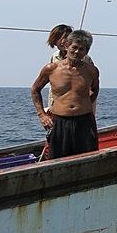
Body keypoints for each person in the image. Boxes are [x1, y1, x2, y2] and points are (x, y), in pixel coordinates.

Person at [31, 29, 100, 160]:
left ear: (86, 51)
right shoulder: (51, 69)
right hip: (60, 122)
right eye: (74, 47)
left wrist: (85, 104)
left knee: (88, 159)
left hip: (84, 122)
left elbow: (95, 89)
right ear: (67, 46)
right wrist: (42, 115)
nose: (77, 52)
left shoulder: (92, 71)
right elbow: (35, 89)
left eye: (82, 49)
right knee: (56, 160)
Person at [46, 23, 94, 110]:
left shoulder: (85, 59)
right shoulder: (54, 57)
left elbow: (93, 87)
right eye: (59, 38)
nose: (63, 41)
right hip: (57, 108)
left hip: (80, 111)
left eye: (66, 38)